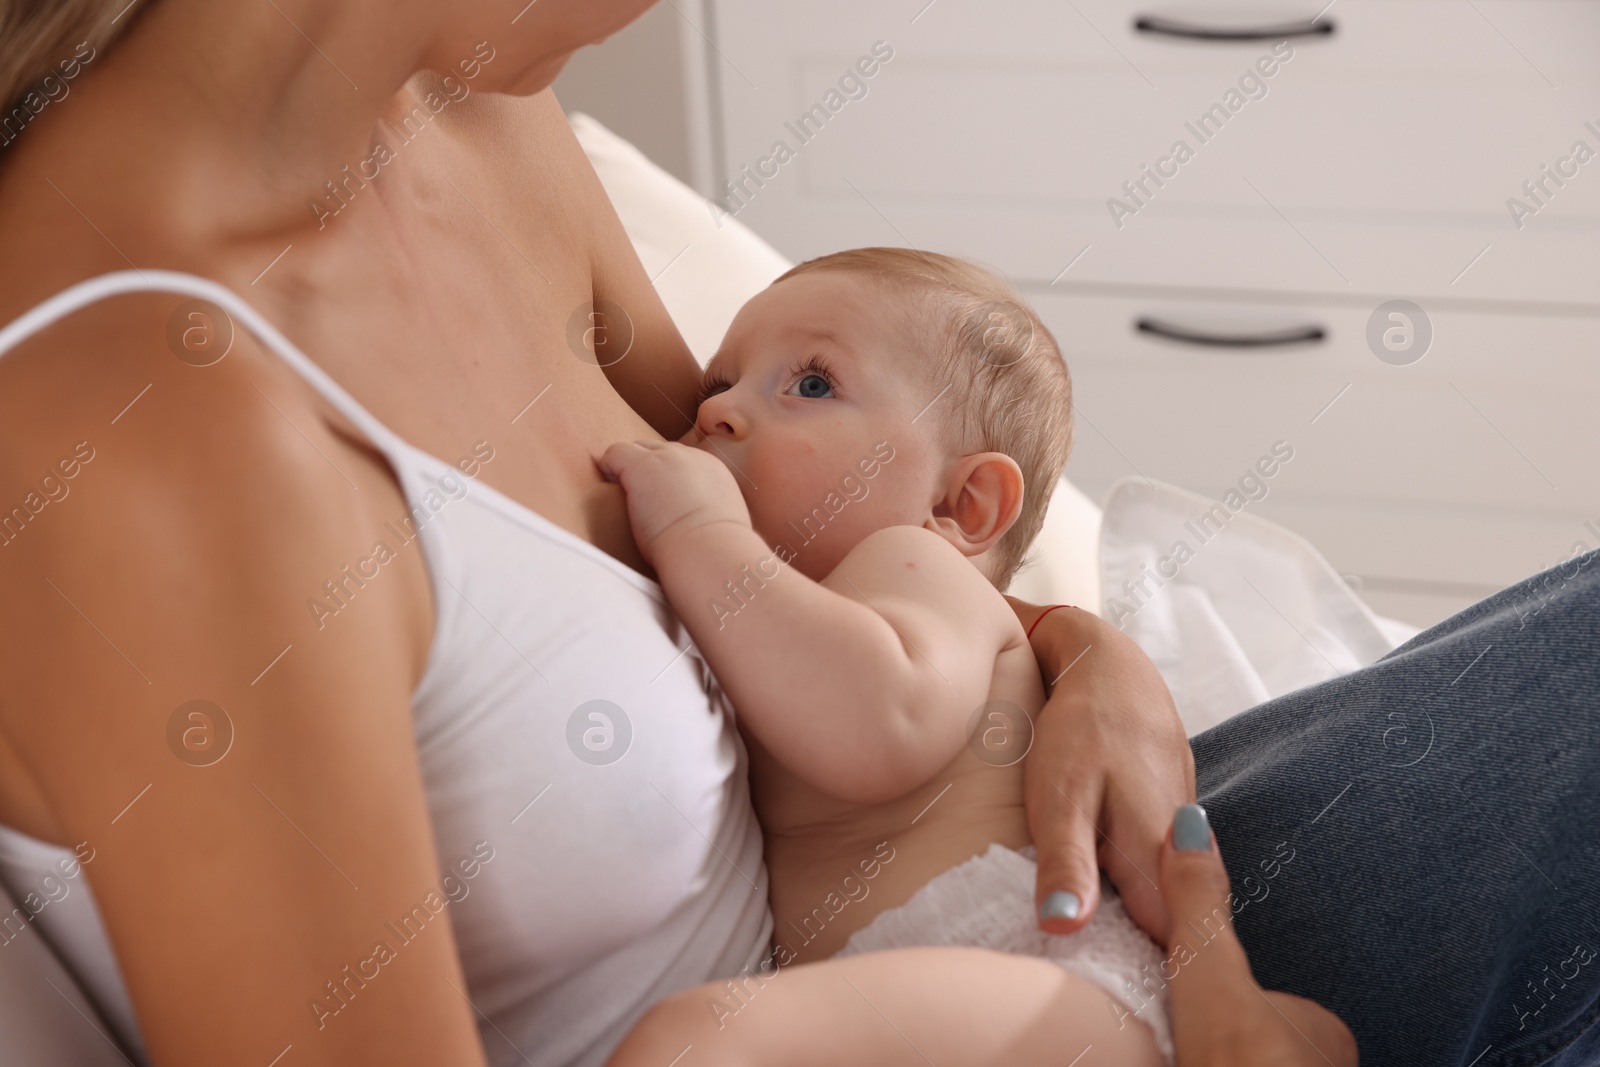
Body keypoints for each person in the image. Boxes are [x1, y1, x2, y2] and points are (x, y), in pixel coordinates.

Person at [0, 1, 1594, 1065]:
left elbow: (826, 503)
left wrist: (1081, 654)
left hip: (1040, 907)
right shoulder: (145, 429)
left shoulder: (479, 127)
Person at [600, 246, 1171, 1062]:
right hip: (921, 996)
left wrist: (702, 534)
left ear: (960, 504)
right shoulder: (777, 610)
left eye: (812, 384)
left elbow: (883, 720)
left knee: (694, 1044)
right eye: (717, 383)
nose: (720, 410)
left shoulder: (915, 565)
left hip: (1034, 967)